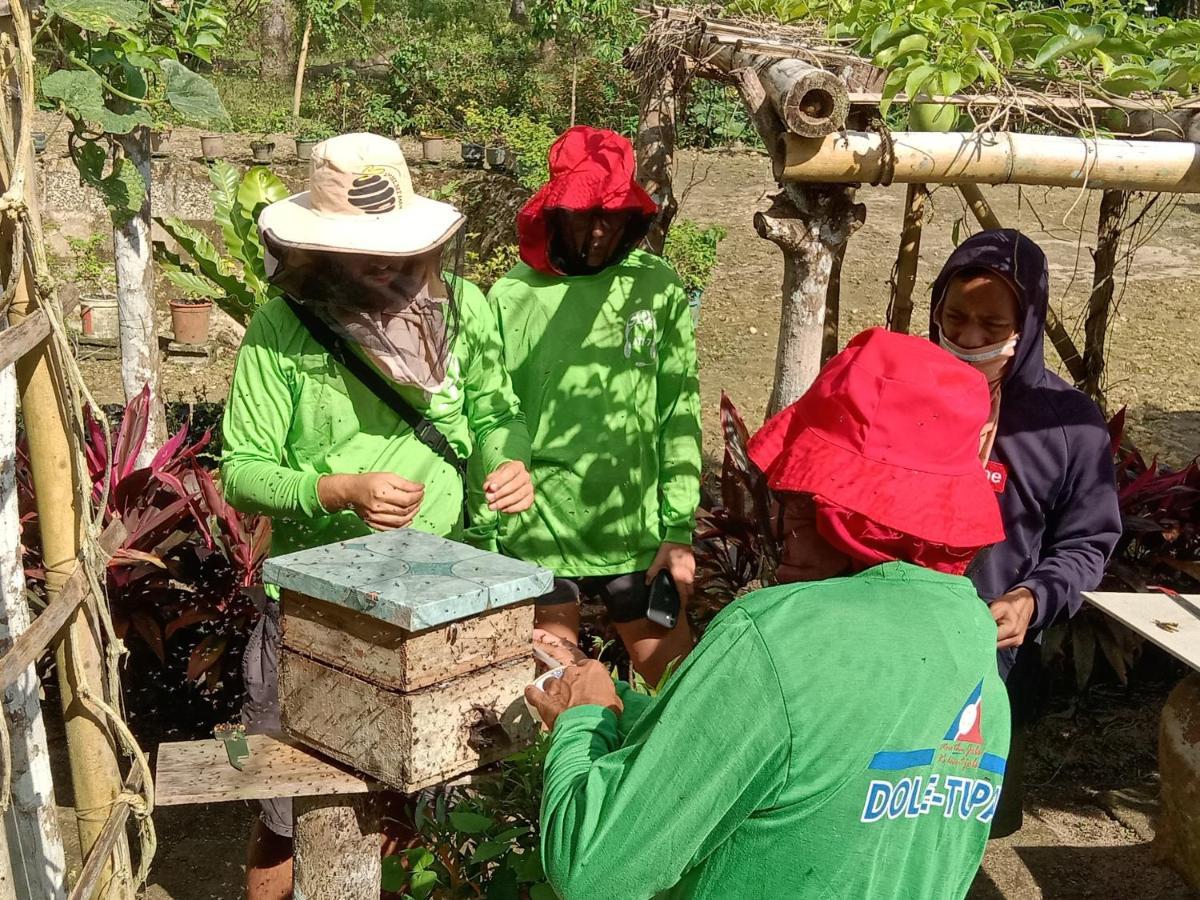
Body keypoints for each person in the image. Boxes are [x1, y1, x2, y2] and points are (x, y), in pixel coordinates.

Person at [526, 328, 1011, 900]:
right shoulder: (971, 648)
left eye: (803, 508)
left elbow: (593, 867)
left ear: (838, 510)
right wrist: (615, 705)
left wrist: (581, 724)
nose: (786, 534)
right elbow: (795, 757)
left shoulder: (775, 635)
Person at [220, 133, 534, 900]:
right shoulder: (282, 329)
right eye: (369, 260)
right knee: (292, 805)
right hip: (315, 610)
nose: (390, 271)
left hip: (438, 592)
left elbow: (496, 410)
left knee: (425, 806)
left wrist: (505, 458)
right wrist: (339, 489)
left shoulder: (468, 309)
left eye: (400, 255)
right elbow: (242, 471)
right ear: (319, 255)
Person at [484, 125, 702, 685]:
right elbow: (490, 412)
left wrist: (677, 529)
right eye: (584, 213)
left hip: (635, 534)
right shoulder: (514, 295)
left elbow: (678, 407)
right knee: (549, 699)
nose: (600, 229)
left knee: (678, 690)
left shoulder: (653, 287)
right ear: (555, 212)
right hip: (537, 534)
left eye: (612, 214)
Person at [929, 228, 1122, 836]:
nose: (968, 338)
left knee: (962, 820)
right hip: (893, 643)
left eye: (992, 325)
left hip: (993, 662)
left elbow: (1087, 542)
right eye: (954, 318)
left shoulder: (1067, 426)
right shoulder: (905, 390)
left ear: (1029, 323)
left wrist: (1033, 597)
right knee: (879, 803)